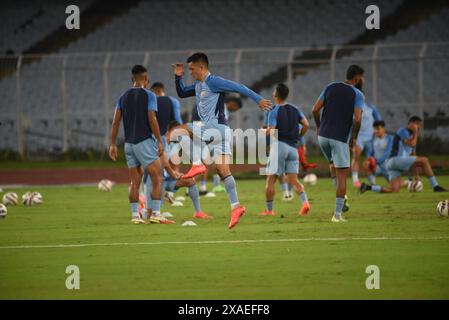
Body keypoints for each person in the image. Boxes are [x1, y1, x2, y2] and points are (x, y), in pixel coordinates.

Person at [173, 52, 272, 229]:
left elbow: (239, 87)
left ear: (201, 67)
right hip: (222, 132)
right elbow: (181, 92)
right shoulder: (198, 85)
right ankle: (236, 207)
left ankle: (197, 164)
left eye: (192, 69)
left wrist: (258, 99)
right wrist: (177, 76)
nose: (191, 72)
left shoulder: (213, 81)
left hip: (213, 128)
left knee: (183, 129)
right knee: (222, 169)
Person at [108, 65, 164, 225]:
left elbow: (115, 121)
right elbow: (152, 118)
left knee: (135, 182)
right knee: (158, 177)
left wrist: (112, 144)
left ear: (132, 79)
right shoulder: (149, 95)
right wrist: (159, 140)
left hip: (128, 145)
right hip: (144, 141)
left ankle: (135, 216)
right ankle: (156, 213)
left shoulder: (123, 97)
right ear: (145, 79)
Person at [312, 65, 364, 222]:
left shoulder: (330, 87)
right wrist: (354, 137)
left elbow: (315, 110)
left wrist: (319, 126)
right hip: (339, 138)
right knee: (343, 177)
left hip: (323, 137)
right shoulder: (357, 94)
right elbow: (357, 119)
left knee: (333, 164)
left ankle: (343, 197)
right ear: (356, 78)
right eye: (362, 77)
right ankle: (337, 215)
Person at [260, 83, 311, 216]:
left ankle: (269, 210)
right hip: (293, 149)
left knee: (271, 179)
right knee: (293, 180)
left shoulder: (274, 110)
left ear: (275, 94)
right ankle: (305, 203)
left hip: (280, 146)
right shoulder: (295, 109)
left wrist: (263, 132)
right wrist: (299, 137)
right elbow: (306, 124)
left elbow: (271, 130)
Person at [360, 116, 447, 193]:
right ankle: (436, 186)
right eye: (417, 124)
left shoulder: (412, 137)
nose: (418, 126)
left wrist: (416, 175)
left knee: (394, 190)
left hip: (392, 164)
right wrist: (416, 132)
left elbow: (413, 157)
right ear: (410, 124)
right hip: (394, 160)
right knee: (424, 160)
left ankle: (368, 187)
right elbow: (412, 144)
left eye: (419, 125)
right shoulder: (403, 131)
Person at [351, 101, 382, 187]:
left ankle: (372, 180)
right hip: (358, 138)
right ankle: (355, 180)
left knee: (371, 160)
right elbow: (350, 124)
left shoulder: (371, 108)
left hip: (370, 138)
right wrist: (351, 137)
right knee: (355, 157)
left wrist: (377, 132)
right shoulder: (352, 109)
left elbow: (379, 120)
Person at [362, 120, 392, 185]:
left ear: (383, 129)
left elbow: (388, 153)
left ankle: (410, 183)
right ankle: (372, 184)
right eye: (374, 129)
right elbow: (370, 152)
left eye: (378, 129)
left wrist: (376, 161)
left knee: (395, 186)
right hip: (377, 166)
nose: (376, 131)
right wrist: (369, 159)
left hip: (388, 166)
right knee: (366, 164)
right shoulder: (374, 139)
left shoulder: (389, 138)